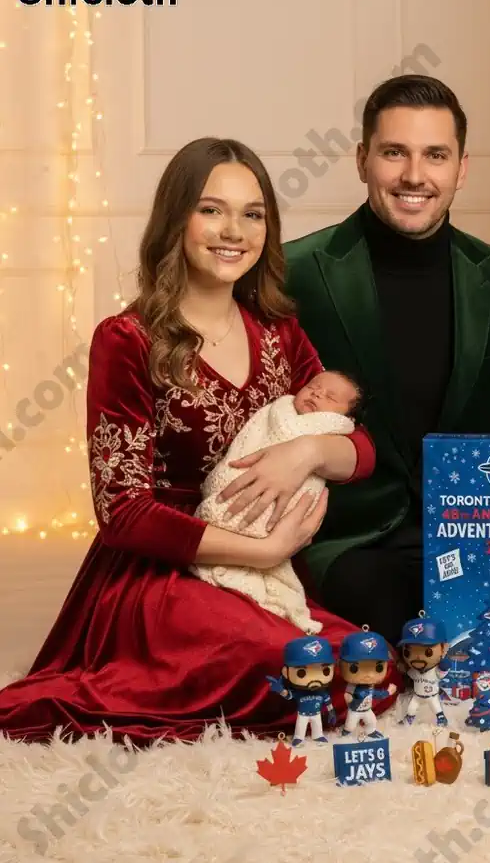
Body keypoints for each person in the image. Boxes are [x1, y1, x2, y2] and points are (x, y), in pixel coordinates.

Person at [0, 138, 400, 745]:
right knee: (286, 669)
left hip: (265, 577)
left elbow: (362, 450)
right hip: (161, 577)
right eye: (211, 210)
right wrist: (261, 550)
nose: (233, 231)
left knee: (366, 666)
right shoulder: (129, 339)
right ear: (176, 219)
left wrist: (308, 451)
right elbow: (122, 513)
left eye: (252, 214)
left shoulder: (279, 332)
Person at [283, 75, 490, 642]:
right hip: (349, 539)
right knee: (391, 631)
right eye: (394, 153)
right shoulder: (295, 273)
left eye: (435, 155)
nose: (415, 175)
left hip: (474, 535)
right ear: (362, 160)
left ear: (461, 168)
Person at [191, 369, 364, 634]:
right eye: (313, 386)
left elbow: (364, 452)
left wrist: (310, 451)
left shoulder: (332, 431)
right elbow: (251, 440)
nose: (317, 393)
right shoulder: (279, 411)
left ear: (345, 418)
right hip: (215, 509)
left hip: (283, 516)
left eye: (330, 397)